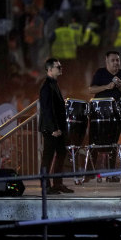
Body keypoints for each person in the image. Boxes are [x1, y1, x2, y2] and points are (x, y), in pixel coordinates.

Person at [88, 51, 121, 181]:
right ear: (106, 62)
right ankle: (90, 173)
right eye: (113, 60)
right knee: (94, 142)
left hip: (116, 112)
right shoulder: (100, 73)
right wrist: (106, 87)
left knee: (114, 142)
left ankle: (111, 173)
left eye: (117, 60)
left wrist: (120, 86)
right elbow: (91, 89)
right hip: (99, 113)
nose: (116, 63)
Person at [38, 58, 73, 194]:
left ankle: (58, 183)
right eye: (58, 67)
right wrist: (54, 128)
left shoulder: (53, 84)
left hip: (57, 127)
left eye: (60, 66)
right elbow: (47, 109)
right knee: (48, 156)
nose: (61, 68)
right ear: (50, 69)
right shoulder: (46, 86)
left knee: (61, 153)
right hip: (51, 128)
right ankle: (46, 186)